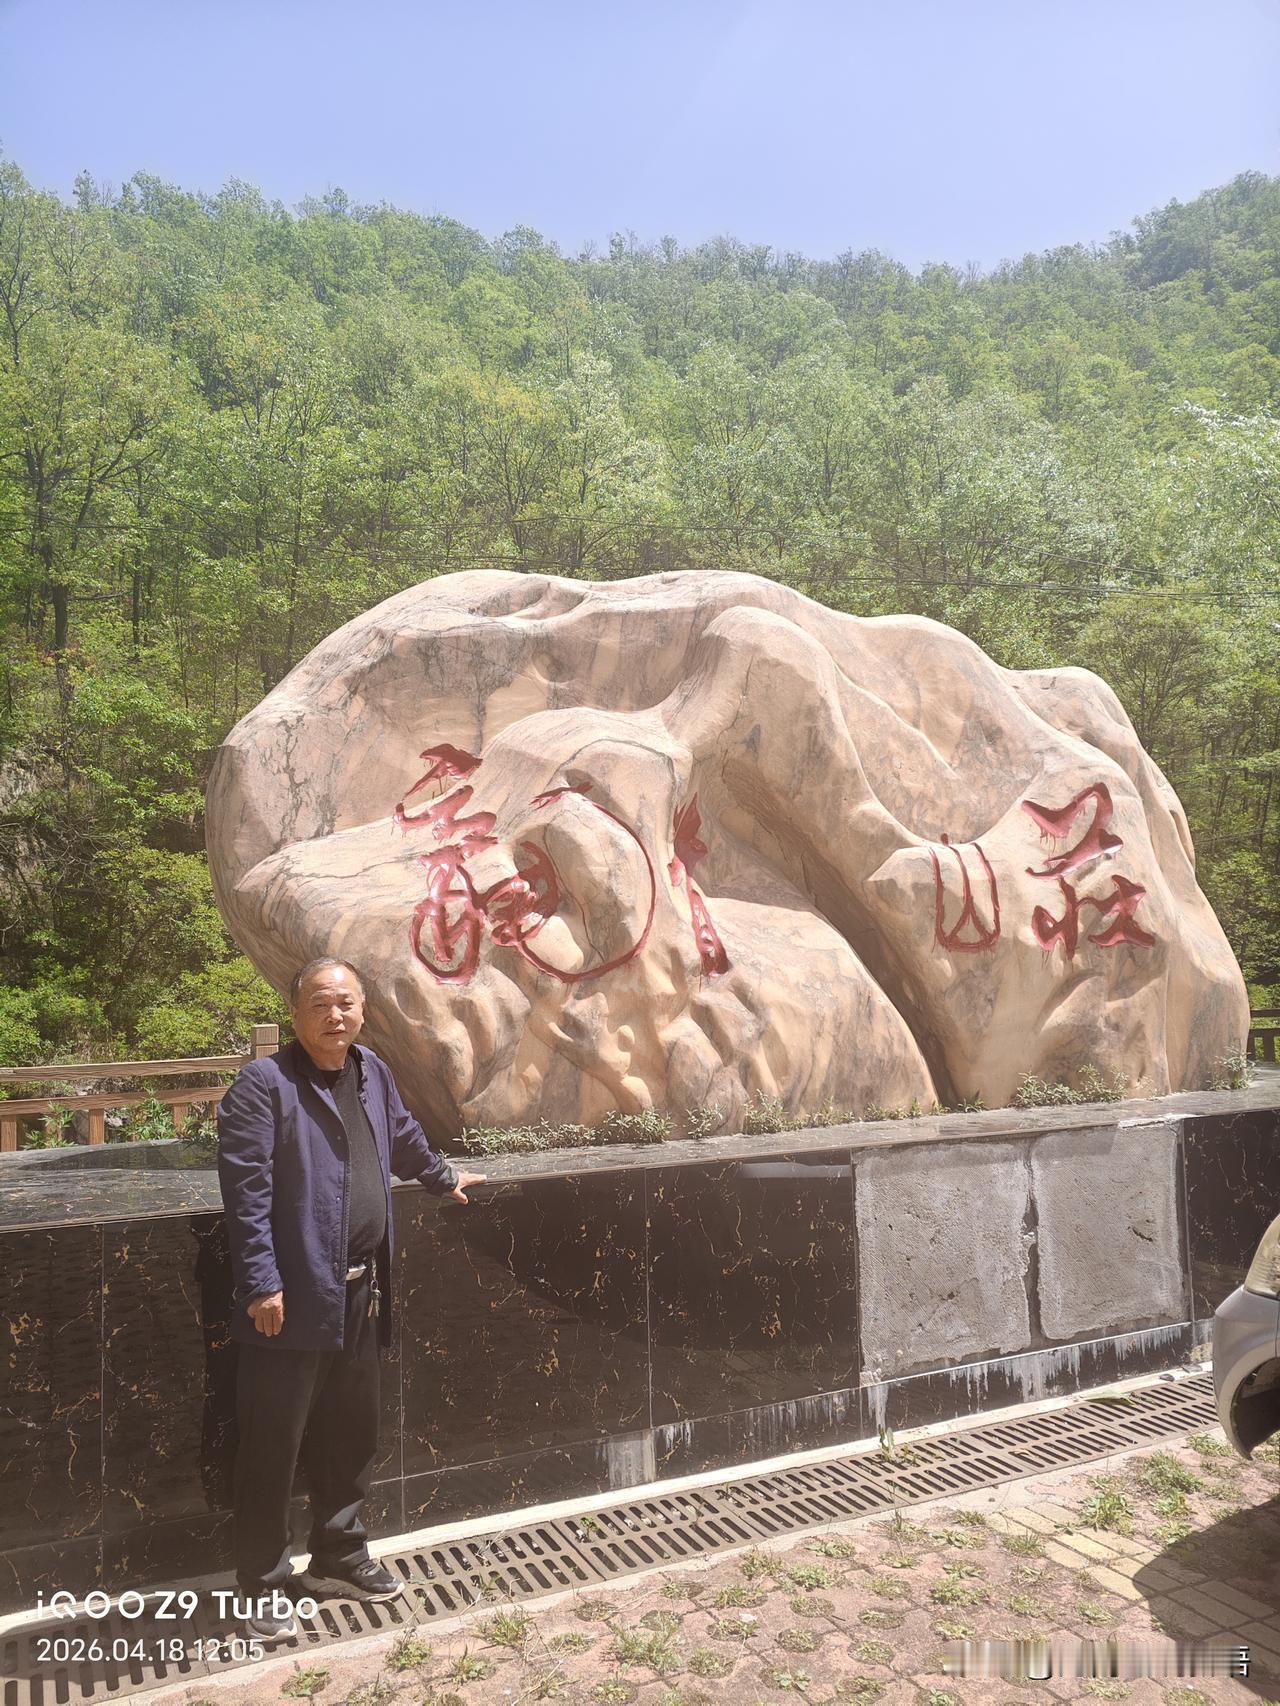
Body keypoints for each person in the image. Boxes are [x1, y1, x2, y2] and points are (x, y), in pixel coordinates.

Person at [216, 956, 486, 1643]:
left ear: (363, 1009)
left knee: (349, 1435)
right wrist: (261, 1281)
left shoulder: (371, 1071)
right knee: (273, 1446)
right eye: (320, 1003)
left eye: (346, 1003)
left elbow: (401, 1137)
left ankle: (337, 1555)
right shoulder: (264, 1085)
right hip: (292, 1300)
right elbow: (245, 1193)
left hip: (362, 1292)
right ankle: (262, 1583)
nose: (335, 1016)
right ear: (295, 1012)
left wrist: (442, 1177)